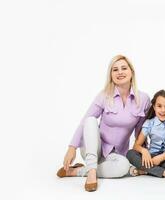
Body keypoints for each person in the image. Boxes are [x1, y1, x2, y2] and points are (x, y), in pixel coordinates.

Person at [56, 55, 150, 192]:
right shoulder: (104, 95)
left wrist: (143, 152)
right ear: (111, 75)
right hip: (93, 148)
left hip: (117, 154)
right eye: (115, 70)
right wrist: (72, 148)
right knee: (90, 120)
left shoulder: (143, 99)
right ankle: (92, 172)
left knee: (123, 167)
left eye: (124, 68)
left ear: (132, 72)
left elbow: (141, 130)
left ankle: (78, 171)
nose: (120, 72)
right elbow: (85, 122)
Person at [126, 90, 165, 181]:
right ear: (154, 107)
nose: (163, 110)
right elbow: (136, 145)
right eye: (159, 106)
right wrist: (144, 151)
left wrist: (161, 158)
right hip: (150, 157)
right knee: (130, 153)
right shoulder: (149, 123)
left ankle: (144, 171)